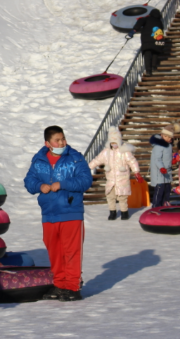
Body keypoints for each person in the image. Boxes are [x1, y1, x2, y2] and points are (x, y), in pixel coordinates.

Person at [24, 125, 92, 302]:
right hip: (49, 213)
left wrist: (62, 184)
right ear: (47, 143)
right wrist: (39, 186)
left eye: (63, 138)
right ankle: (60, 284)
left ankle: (72, 286)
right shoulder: (39, 160)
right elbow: (29, 181)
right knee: (54, 250)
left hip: (71, 212)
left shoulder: (75, 158)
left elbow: (86, 180)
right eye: (57, 140)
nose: (62, 142)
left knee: (71, 251)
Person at [88, 126, 142, 221]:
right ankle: (112, 212)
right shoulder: (106, 153)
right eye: (112, 142)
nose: (114, 144)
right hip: (111, 180)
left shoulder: (124, 152)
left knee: (122, 198)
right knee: (110, 197)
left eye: (116, 142)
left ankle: (124, 212)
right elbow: (97, 160)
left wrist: (136, 172)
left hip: (122, 180)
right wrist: (88, 167)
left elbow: (132, 161)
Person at [149, 124, 180, 207]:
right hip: (159, 174)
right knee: (159, 192)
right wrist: (161, 167)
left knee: (167, 190)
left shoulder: (169, 145)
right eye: (166, 136)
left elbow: (167, 158)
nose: (168, 139)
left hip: (167, 173)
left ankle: (165, 205)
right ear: (162, 135)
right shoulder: (159, 146)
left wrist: (172, 161)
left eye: (170, 137)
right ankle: (156, 207)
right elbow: (157, 159)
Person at [132, 8, 166, 76]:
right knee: (155, 52)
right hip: (157, 40)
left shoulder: (146, 19)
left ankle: (148, 70)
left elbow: (140, 21)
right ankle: (153, 67)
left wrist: (135, 29)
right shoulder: (159, 22)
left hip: (147, 40)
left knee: (147, 53)